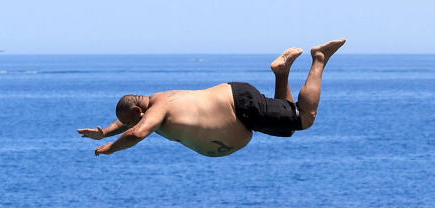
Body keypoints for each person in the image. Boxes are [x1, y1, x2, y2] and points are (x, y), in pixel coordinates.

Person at [78, 41, 345, 157]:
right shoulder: (158, 100)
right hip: (239, 105)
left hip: (240, 107)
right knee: (288, 124)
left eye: (129, 120)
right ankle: (281, 72)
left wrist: (111, 148)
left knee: (304, 119)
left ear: (138, 110)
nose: (129, 124)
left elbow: (137, 133)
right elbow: (130, 124)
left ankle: (319, 58)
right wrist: (104, 132)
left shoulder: (158, 110)